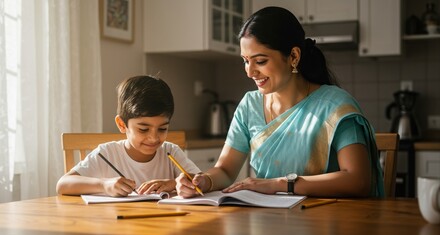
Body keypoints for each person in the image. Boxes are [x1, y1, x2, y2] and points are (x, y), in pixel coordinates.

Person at [176, 6, 384, 198]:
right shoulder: (250, 105)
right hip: (268, 217)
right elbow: (225, 170)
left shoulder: (336, 107)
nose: (250, 72)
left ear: (293, 56)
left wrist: (281, 184)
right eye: (245, 61)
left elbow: (358, 180)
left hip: (327, 222)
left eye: (260, 61)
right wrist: (205, 180)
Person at [56, 75, 200, 197]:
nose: (154, 138)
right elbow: (63, 184)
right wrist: (104, 185)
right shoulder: (107, 154)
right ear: (122, 124)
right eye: (143, 129)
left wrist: (173, 183)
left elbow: (201, 181)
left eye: (162, 129)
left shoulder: (171, 152)